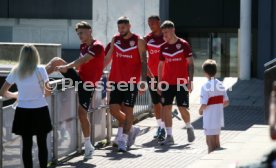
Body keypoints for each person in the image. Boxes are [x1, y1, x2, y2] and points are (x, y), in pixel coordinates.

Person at [45, 21, 105, 159]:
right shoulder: (83, 45)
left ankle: (88, 146)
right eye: (78, 34)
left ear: (89, 31)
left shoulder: (97, 46)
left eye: (82, 33)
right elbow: (81, 65)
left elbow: (83, 60)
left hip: (88, 84)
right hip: (79, 78)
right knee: (56, 61)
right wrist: (66, 68)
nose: (80, 36)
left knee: (82, 113)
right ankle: (38, 78)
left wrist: (67, 67)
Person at [0, 45, 52, 168]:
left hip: (23, 111)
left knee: (26, 145)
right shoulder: (41, 69)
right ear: (36, 55)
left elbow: (2, 92)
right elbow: (48, 92)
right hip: (40, 109)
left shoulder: (16, 70)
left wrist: (16, 95)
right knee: (42, 144)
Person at [104, 16, 147, 152]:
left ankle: (123, 139)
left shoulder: (138, 41)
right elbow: (108, 57)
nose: (120, 30)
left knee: (128, 111)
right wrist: (97, 70)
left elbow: (144, 62)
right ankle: (131, 128)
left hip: (131, 82)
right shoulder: (115, 39)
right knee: (113, 109)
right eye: (119, 28)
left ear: (129, 26)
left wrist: (143, 81)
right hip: (115, 80)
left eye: (123, 27)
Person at [158, 20, 195, 145]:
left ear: (173, 30)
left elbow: (191, 64)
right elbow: (160, 65)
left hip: (181, 82)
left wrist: (190, 81)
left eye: (166, 32)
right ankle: (169, 136)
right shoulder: (163, 47)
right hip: (167, 83)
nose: (165, 36)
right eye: (163, 33)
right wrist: (159, 82)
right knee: (166, 108)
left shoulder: (184, 45)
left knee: (182, 108)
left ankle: (189, 127)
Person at [199, 59, 229, 153]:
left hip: (209, 119)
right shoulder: (220, 84)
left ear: (205, 73)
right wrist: (218, 107)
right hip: (218, 118)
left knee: (209, 143)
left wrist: (200, 111)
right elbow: (227, 102)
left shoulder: (205, 86)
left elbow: (204, 104)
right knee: (217, 142)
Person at [144, 15, 166, 141]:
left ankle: (164, 128)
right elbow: (142, 56)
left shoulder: (166, 36)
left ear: (159, 23)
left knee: (164, 102)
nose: (151, 26)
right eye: (149, 24)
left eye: (153, 23)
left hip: (165, 75)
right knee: (156, 102)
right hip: (151, 75)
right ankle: (160, 127)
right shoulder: (147, 38)